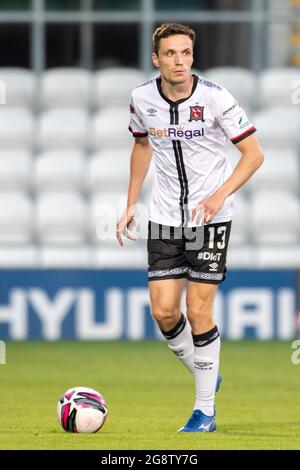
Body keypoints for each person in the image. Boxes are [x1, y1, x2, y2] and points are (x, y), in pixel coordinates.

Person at [116, 23, 264, 432]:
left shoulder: (217, 98)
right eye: (171, 54)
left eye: (185, 53)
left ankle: (204, 411)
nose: (179, 61)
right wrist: (131, 203)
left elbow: (253, 155)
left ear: (192, 56)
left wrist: (219, 194)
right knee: (163, 312)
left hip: (208, 219)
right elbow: (142, 144)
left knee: (198, 309)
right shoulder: (142, 98)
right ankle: (206, 373)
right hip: (164, 218)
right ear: (156, 59)